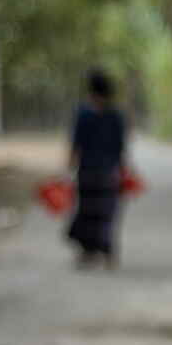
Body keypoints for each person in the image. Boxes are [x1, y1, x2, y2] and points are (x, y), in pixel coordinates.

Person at [67, 69, 132, 267]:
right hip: (107, 173)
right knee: (106, 213)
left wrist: (69, 166)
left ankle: (89, 252)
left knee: (87, 211)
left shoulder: (83, 114)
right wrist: (122, 170)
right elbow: (121, 147)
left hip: (87, 171)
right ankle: (105, 251)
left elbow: (76, 144)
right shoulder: (116, 116)